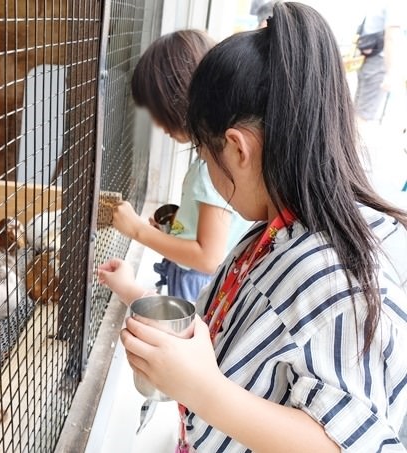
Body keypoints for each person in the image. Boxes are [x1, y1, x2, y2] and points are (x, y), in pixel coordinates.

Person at [98, 3, 407, 451]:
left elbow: (350, 441)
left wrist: (202, 390)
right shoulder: (279, 229)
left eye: (206, 157)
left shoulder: (338, 279)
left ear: (237, 150)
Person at [112, 30, 252, 303]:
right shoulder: (212, 158)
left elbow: (208, 257)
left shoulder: (210, 168)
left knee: (180, 330)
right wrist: (179, 223)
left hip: (197, 280)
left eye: (157, 110)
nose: (156, 123)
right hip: (198, 275)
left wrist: (137, 231)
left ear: (181, 101)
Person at [355, 0, 405, 124]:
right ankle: (351, 143)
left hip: (368, 60)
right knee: (364, 115)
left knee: (358, 110)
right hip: (379, 63)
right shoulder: (395, 4)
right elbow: (391, 38)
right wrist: (390, 73)